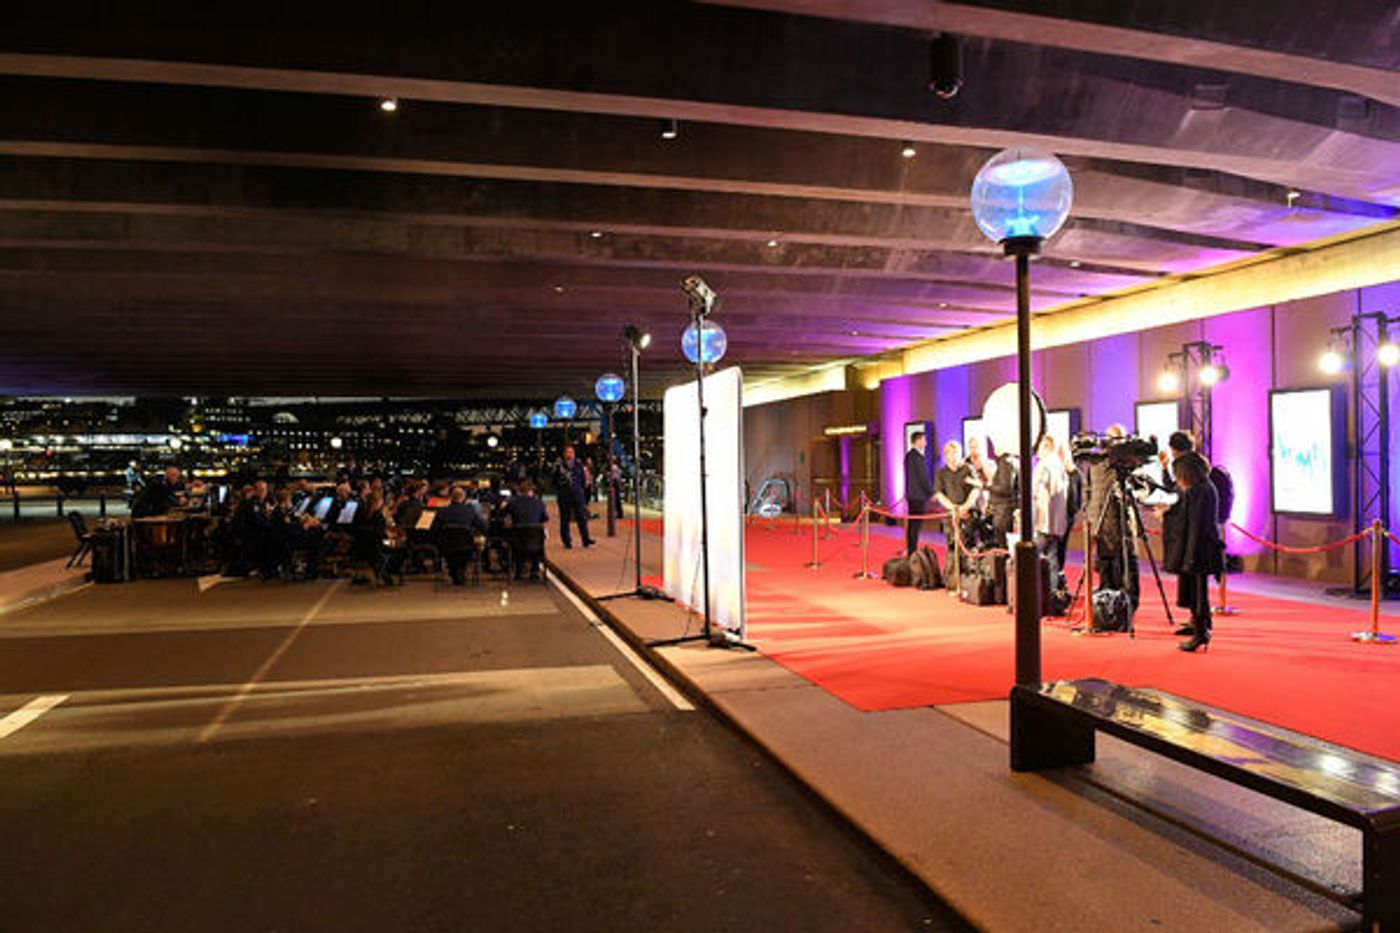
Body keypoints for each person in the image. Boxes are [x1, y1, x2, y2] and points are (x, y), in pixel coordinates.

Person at [1162, 453, 1223, 653]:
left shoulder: (1201, 491)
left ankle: (1201, 632)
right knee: (1198, 593)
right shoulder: (1202, 488)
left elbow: (1196, 526)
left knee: (1199, 595)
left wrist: (1190, 556)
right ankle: (1201, 630)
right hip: (1199, 547)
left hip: (1200, 549)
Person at [1086, 424, 1140, 610]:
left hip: (1120, 521)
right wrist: (1089, 514)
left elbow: (1141, 487)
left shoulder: (1130, 463)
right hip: (1099, 521)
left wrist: (1130, 495)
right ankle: (1106, 605)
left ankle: (1126, 605)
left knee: (1125, 564)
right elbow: (1088, 490)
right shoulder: (1095, 462)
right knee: (1104, 565)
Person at [934, 440, 974, 583]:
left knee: (968, 546)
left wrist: (966, 507)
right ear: (946, 456)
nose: (954, 456)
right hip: (949, 516)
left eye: (956, 453)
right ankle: (952, 580)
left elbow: (975, 490)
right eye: (950, 454)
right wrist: (953, 508)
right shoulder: (941, 473)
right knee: (951, 547)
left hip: (967, 514)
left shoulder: (968, 469)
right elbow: (939, 494)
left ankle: (969, 581)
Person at [1032, 434, 1069, 589]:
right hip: (1056, 522)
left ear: (1047, 447)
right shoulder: (1060, 466)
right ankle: (1052, 592)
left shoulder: (1044, 465)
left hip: (1044, 521)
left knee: (1035, 557)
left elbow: (1037, 490)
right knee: (1053, 557)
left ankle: (1037, 593)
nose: (1037, 451)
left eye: (1039, 447)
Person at [432, 487, 486, 585]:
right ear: (463, 497)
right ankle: (460, 572)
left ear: (451, 497)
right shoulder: (470, 511)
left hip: (446, 546)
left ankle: (455, 572)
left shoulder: (442, 512)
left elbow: (434, 529)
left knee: (452, 555)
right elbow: (482, 526)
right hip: (466, 547)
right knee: (464, 552)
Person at [507, 479, 550, 580]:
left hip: (519, 539)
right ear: (533, 491)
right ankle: (534, 570)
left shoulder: (514, 502)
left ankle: (518, 570)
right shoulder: (539, 503)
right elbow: (545, 518)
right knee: (536, 539)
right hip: (535, 539)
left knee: (515, 540)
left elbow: (507, 512)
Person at [555, 445, 594, 549]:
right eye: (568, 452)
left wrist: (582, 492)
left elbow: (582, 479)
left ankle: (585, 539)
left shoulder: (578, 465)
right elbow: (554, 481)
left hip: (577, 495)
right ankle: (567, 541)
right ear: (564, 454)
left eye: (572, 452)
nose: (570, 454)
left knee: (581, 517)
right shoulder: (559, 466)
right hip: (564, 496)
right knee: (565, 519)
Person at [903, 431, 935, 556]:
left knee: (912, 525)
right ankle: (912, 551)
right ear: (917, 441)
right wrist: (930, 493)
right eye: (924, 440)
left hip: (911, 495)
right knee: (915, 525)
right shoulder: (917, 457)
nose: (926, 443)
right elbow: (923, 478)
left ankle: (911, 549)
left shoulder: (909, 456)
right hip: (918, 496)